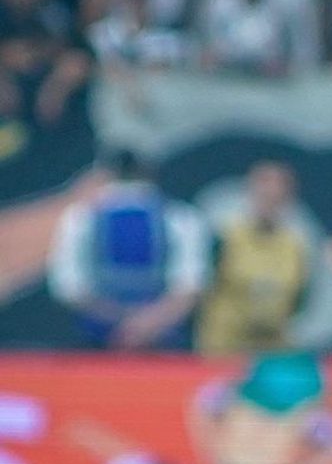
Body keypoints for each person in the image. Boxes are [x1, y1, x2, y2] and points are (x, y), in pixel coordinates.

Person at [47, 148, 210, 348]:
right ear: (149, 174)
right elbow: (190, 287)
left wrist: (122, 323)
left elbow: (69, 287)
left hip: (100, 340)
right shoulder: (182, 217)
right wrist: (144, 325)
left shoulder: (79, 218)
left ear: (105, 175)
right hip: (162, 341)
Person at [196, 160, 310, 357]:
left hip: (272, 352)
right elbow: (201, 287)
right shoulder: (225, 237)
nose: (270, 204)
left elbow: (300, 299)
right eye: (264, 196)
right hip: (221, 351)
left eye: (277, 198)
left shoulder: (295, 247)